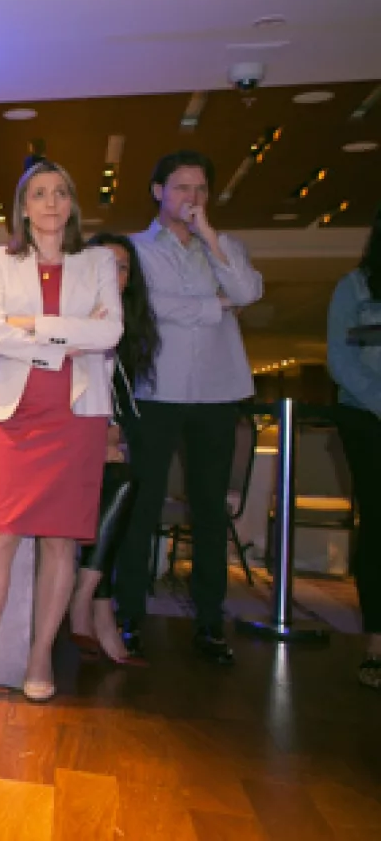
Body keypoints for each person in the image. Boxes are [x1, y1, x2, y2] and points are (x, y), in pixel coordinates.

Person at [0, 160, 122, 710]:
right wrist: (67, 339)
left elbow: (110, 332)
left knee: (60, 541)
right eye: (39, 194)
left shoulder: (97, 261)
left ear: (71, 204)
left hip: (76, 418)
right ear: (23, 208)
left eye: (60, 193)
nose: (51, 203)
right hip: (12, 415)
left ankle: (40, 656)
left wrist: (33, 324)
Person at [111, 151, 263, 665]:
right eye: (181, 187)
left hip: (218, 392)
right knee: (141, 506)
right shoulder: (135, 249)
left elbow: (248, 290)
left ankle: (209, 622)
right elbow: (150, 307)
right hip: (156, 391)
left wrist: (211, 239)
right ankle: (130, 615)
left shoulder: (225, 247)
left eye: (200, 189)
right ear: (158, 192)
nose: (191, 198)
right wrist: (217, 305)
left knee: (210, 510)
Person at [68, 233, 161, 665]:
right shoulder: (71, 313)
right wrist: (103, 434)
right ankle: (94, 607)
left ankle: (90, 599)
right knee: (121, 482)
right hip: (61, 432)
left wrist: (111, 433)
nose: (113, 273)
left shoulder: (127, 329)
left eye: (122, 267)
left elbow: (117, 397)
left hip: (99, 434)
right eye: (104, 263)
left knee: (122, 481)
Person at [326, 208, 381, 691]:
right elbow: (341, 361)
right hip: (367, 417)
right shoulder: (356, 288)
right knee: (378, 526)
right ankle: (377, 644)